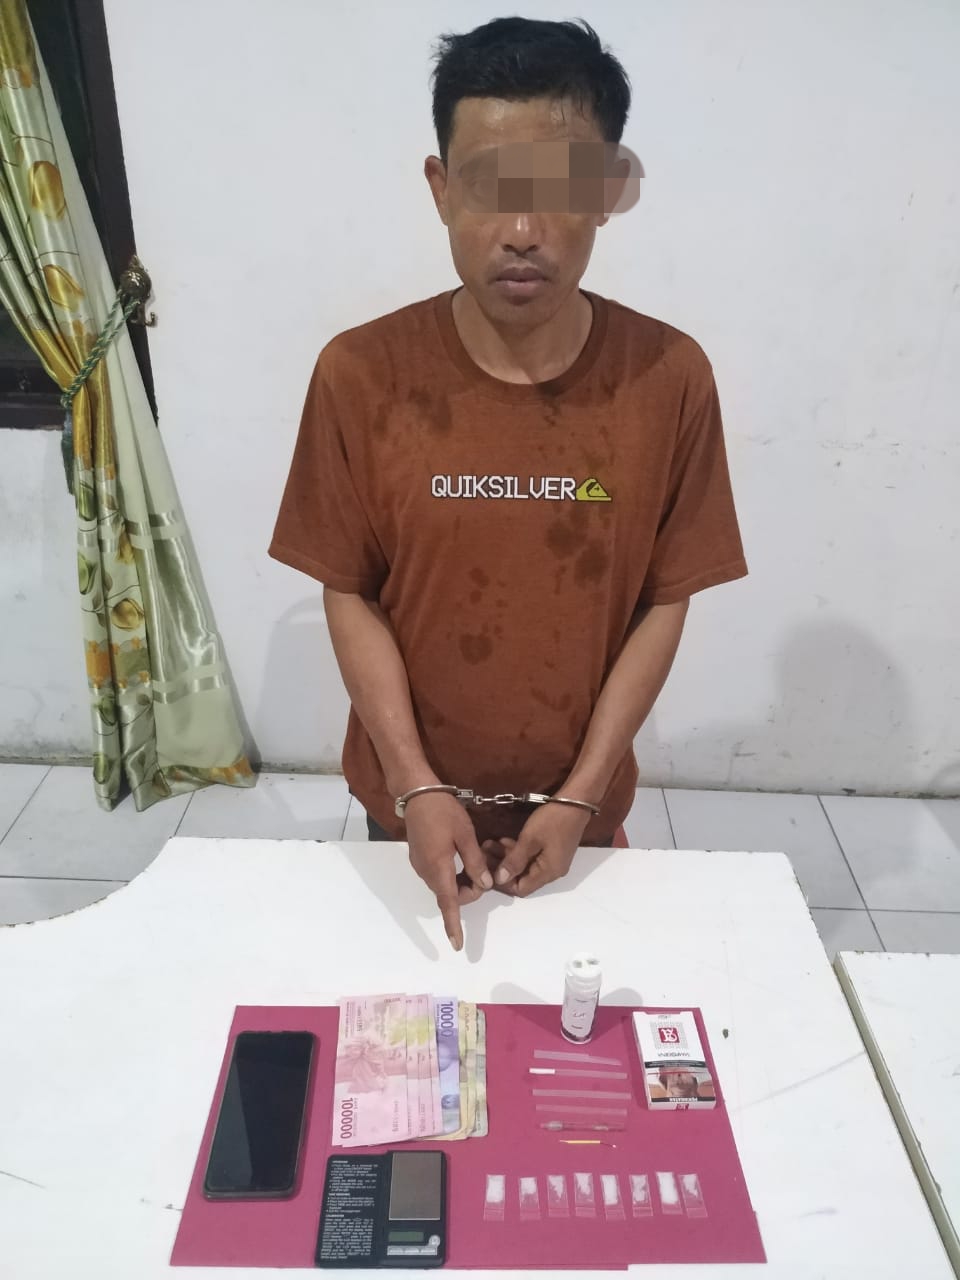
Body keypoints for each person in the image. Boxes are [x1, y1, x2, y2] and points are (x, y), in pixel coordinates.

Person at [269, 17, 747, 951]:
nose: (522, 233)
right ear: (441, 190)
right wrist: (414, 783)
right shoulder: (360, 374)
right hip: (407, 802)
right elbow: (349, 588)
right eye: (490, 188)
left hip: (579, 814)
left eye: (559, 189)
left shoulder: (668, 377)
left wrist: (581, 796)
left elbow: (666, 598)